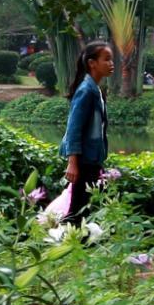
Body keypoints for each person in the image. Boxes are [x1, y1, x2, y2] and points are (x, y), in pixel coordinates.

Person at [62, 40, 113, 223]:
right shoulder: (86, 91)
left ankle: (80, 244)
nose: (111, 63)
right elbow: (73, 128)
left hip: (93, 159)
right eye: (106, 59)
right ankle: (68, 244)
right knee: (78, 208)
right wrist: (72, 163)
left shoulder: (95, 89)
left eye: (111, 59)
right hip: (83, 161)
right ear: (92, 63)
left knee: (89, 205)